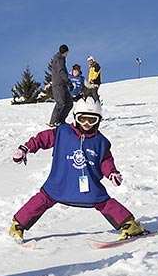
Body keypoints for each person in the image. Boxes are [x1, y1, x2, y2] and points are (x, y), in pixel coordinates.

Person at [8, 96, 145, 243]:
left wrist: (111, 173)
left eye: (92, 120)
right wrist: (25, 148)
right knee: (41, 200)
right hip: (60, 182)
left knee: (105, 202)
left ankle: (130, 225)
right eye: (83, 119)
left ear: (98, 120)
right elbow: (41, 139)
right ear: (75, 118)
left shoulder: (101, 142)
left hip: (89, 187)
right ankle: (18, 225)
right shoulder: (62, 132)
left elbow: (105, 160)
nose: (87, 123)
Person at [47, 44, 72, 127]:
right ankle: (53, 122)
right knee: (60, 103)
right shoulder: (59, 60)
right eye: (67, 53)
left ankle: (61, 121)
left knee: (69, 103)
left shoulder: (61, 59)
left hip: (63, 84)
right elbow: (61, 71)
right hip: (58, 85)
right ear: (65, 52)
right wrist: (68, 81)